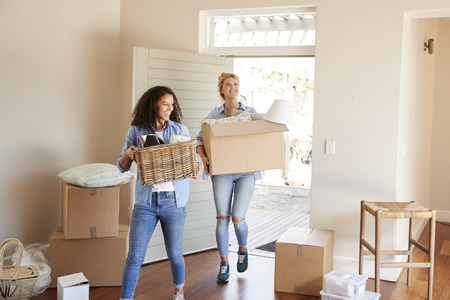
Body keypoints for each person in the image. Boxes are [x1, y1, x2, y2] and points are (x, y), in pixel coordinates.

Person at [117, 86, 200, 300]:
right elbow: (121, 166)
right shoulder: (137, 131)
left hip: (173, 201)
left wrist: (197, 167)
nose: (170, 108)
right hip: (145, 202)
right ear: (154, 104)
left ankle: (179, 292)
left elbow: (191, 163)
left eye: (172, 105)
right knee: (134, 257)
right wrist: (128, 153)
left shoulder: (180, 130)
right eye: (165, 104)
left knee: (174, 254)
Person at [195, 72, 263, 283]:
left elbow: (261, 136)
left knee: (237, 218)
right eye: (228, 85)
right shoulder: (214, 115)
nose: (232, 87)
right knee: (222, 218)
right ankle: (224, 263)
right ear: (221, 90)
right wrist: (204, 158)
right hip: (222, 173)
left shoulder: (250, 112)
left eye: (235, 84)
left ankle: (242, 249)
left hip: (245, 173)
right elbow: (199, 139)